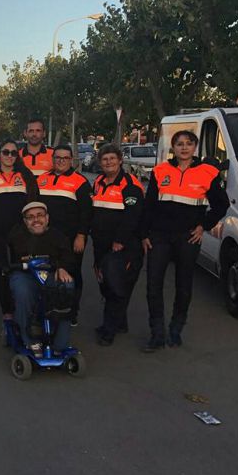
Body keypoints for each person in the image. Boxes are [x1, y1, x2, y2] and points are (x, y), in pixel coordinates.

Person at [141, 130, 230, 351]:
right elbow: (149, 206)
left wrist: (203, 227)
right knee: (153, 285)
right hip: (159, 236)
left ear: (194, 147)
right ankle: (157, 333)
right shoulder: (160, 171)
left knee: (183, 286)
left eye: (188, 144)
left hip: (187, 237)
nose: (184, 148)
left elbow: (221, 205)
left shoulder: (207, 172)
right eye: (179, 144)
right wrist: (144, 234)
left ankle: (175, 329)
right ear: (173, 147)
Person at [0, 138, 38, 321]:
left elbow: (33, 205)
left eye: (13, 153)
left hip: (22, 235)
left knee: (24, 271)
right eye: (6, 152)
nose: (9, 156)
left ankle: (25, 307)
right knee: (2, 272)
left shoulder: (25, 176)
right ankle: (8, 312)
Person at [90, 144, 145, 346]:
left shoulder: (130, 184)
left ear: (120, 160)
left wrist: (120, 241)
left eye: (112, 159)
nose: (109, 162)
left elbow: (133, 217)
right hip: (101, 244)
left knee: (115, 286)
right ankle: (120, 322)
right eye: (105, 159)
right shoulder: (98, 181)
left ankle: (109, 330)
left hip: (122, 246)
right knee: (104, 283)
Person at [7, 201, 75, 356]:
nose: (36, 220)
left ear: (47, 218)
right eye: (30, 217)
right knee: (22, 291)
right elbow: (7, 261)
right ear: (25, 221)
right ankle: (30, 341)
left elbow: (68, 257)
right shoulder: (16, 236)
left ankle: (60, 344)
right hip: (25, 275)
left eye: (40, 216)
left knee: (67, 286)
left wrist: (62, 267)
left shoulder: (58, 236)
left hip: (51, 274)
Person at [35, 144, 92, 326]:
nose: (61, 161)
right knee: (47, 273)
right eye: (57, 157)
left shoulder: (80, 182)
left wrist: (81, 235)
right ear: (53, 159)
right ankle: (49, 309)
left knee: (72, 274)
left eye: (65, 158)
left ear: (71, 160)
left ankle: (71, 312)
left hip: (71, 239)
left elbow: (86, 212)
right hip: (46, 238)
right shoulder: (42, 179)